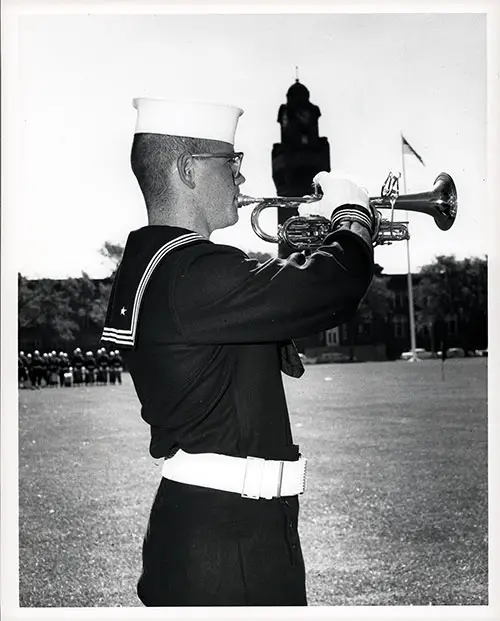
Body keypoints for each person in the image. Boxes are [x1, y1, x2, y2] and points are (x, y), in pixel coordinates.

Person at [101, 98, 376, 607]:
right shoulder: (190, 269)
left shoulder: (161, 264)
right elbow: (334, 286)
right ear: (188, 170)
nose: (242, 180)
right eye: (231, 163)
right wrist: (353, 217)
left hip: (224, 526)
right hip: (226, 544)